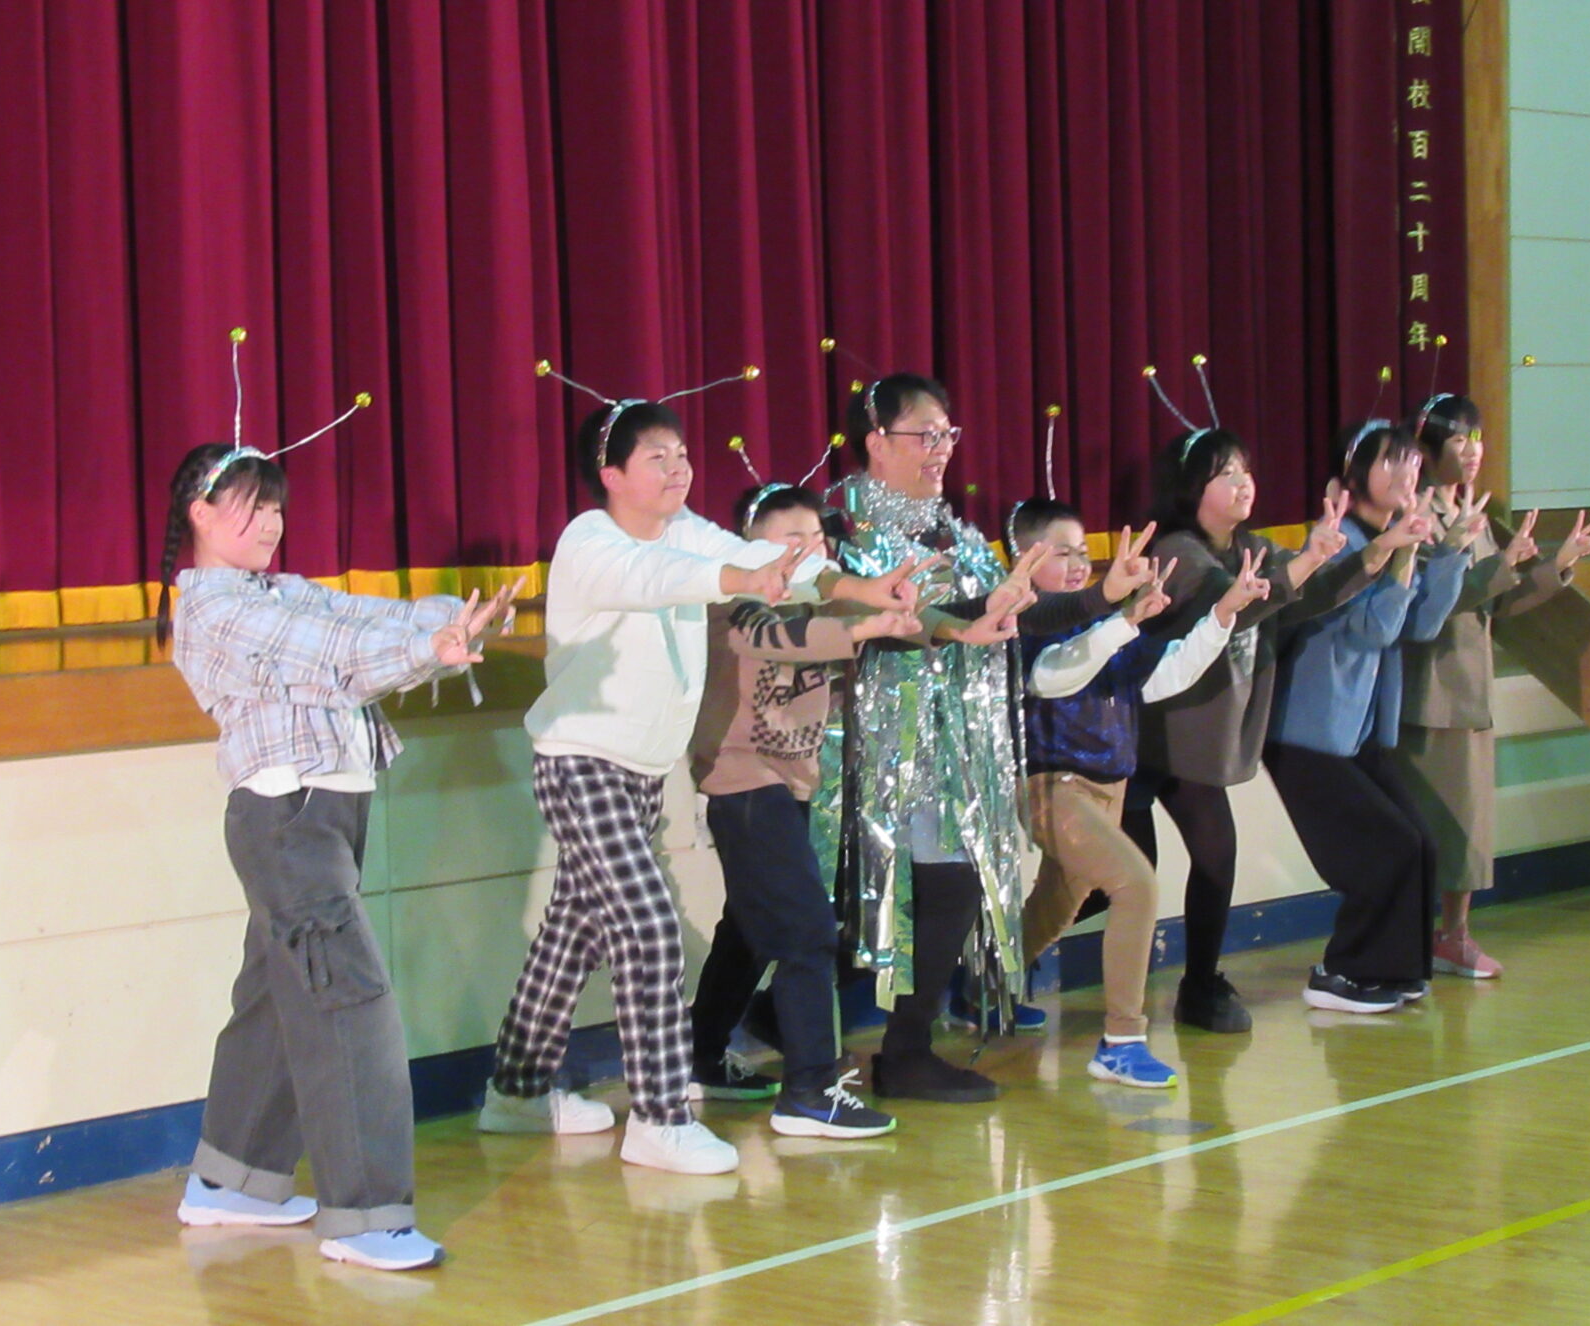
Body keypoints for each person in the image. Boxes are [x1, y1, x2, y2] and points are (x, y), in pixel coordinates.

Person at [480, 396, 922, 1174]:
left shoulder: (689, 531)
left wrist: (864, 588)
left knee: (571, 934)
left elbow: (786, 566)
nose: (679, 466)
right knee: (649, 928)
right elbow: (665, 579)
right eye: (657, 456)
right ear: (611, 474)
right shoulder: (590, 541)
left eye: (682, 452)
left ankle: (515, 1092)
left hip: (643, 773)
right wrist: (743, 574)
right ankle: (658, 1115)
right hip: (581, 761)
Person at [161, 442, 517, 1272]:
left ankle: (233, 1180)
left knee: (279, 997)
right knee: (347, 1000)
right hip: (288, 820)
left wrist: (445, 619)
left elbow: (360, 618)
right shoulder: (214, 609)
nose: (269, 523)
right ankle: (365, 1218)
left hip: (321, 813)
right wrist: (432, 648)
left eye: (277, 507)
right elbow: (331, 658)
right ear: (200, 514)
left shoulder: (277, 590)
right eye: (248, 505)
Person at [817, 373, 1156, 1103]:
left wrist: (1103, 597)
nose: (941, 449)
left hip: (957, 749)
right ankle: (877, 1049)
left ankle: (900, 1048)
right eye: (924, 435)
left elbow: (1010, 614)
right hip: (891, 748)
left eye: (948, 434)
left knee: (942, 889)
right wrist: (977, 615)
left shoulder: (954, 531)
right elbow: (907, 624)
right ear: (876, 442)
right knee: (872, 894)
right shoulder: (849, 527)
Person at [1121, 427, 1382, 1032]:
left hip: (1192, 744)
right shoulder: (1178, 552)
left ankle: (1199, 986)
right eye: (1225, 473)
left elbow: (1298, 600)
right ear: (1192, 489)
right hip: (1141, 739)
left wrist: (1372, 553)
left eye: (1245, 469)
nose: (1243, 482)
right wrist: (1312, 558)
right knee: (1115, 884)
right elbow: (1235, 605)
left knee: (1214, 858)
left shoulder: (1252, 547)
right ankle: (1000, 968)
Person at [687, 483, 918, 1140]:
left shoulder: (823, 600)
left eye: (816, 541)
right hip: (741, 784)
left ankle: (699, 1058)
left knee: (750, 927)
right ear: (748, 548)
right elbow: (782, 636)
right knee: (809, 931)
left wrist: (962, 621)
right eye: (790, 541)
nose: (807, 553)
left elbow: (844, 633)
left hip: (784, 786)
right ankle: (811, 1089)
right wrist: (862, 626)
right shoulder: (735, 604)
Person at [1014, 498, 1268, 1086]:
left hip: (1108, 788)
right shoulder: (1026, 623)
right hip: (1053, 789)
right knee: (1137, 884)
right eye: (1061, 553)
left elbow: (1170, 673)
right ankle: (1121, 1039)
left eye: (1084, 552)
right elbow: (1056, 675)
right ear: (1027, 561)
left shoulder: (1110, 628)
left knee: (1055, 907)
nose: (1079, 564)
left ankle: (981, 986)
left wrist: (1223, 615)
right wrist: (1122, 621)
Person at [1262, 420, 1470, 1013]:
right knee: (1385, 848)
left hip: (1359, 736)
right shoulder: (1342, 542)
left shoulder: (1397, 536)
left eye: (1410, 461)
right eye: (1389, 463)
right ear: (1351, 481)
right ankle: (1340, 971)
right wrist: (1402, 555)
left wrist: (1449, 552)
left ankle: (1396, 971)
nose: (1406, 472)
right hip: (1308, 733)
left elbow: (1422, 626)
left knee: (1419, 844)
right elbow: (1372, 629)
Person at [1399, 394, 1590, 977]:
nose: (1472, 451)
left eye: (1477, 438)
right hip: (1430, 689)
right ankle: (1419, 939)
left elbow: (1499, 601)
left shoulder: (1472, 511)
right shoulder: (1415, 516)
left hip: (1470, 688)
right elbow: (1433, 601)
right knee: (1432, 825)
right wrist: (1495, 561)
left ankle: (1453, 936)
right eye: (1459, 439)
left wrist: (1555, 564)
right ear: (1430, 446)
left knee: (1469, 827)